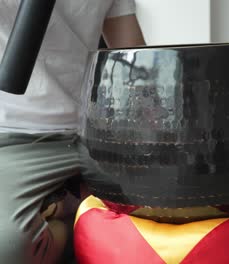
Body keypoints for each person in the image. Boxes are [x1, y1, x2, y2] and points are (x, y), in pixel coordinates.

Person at [0, 0, 146, 263]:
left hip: (92, 134)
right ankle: (72, 209)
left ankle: (65, 204)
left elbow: (133, 60)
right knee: (9, 247)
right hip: (11, 136)